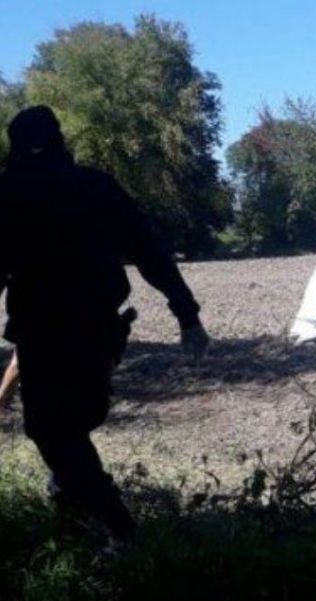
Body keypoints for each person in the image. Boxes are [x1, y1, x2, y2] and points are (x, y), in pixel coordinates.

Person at [0, 105, 210, 545]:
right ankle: (75, 503)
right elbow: (150, 252)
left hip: (48, 332)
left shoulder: (11, 193)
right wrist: (186, 314)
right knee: (70, 424)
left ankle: (119, 528)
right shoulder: (94, 187)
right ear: (60, 140)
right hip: (93, 329)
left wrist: (187, 312)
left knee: (55, 430)